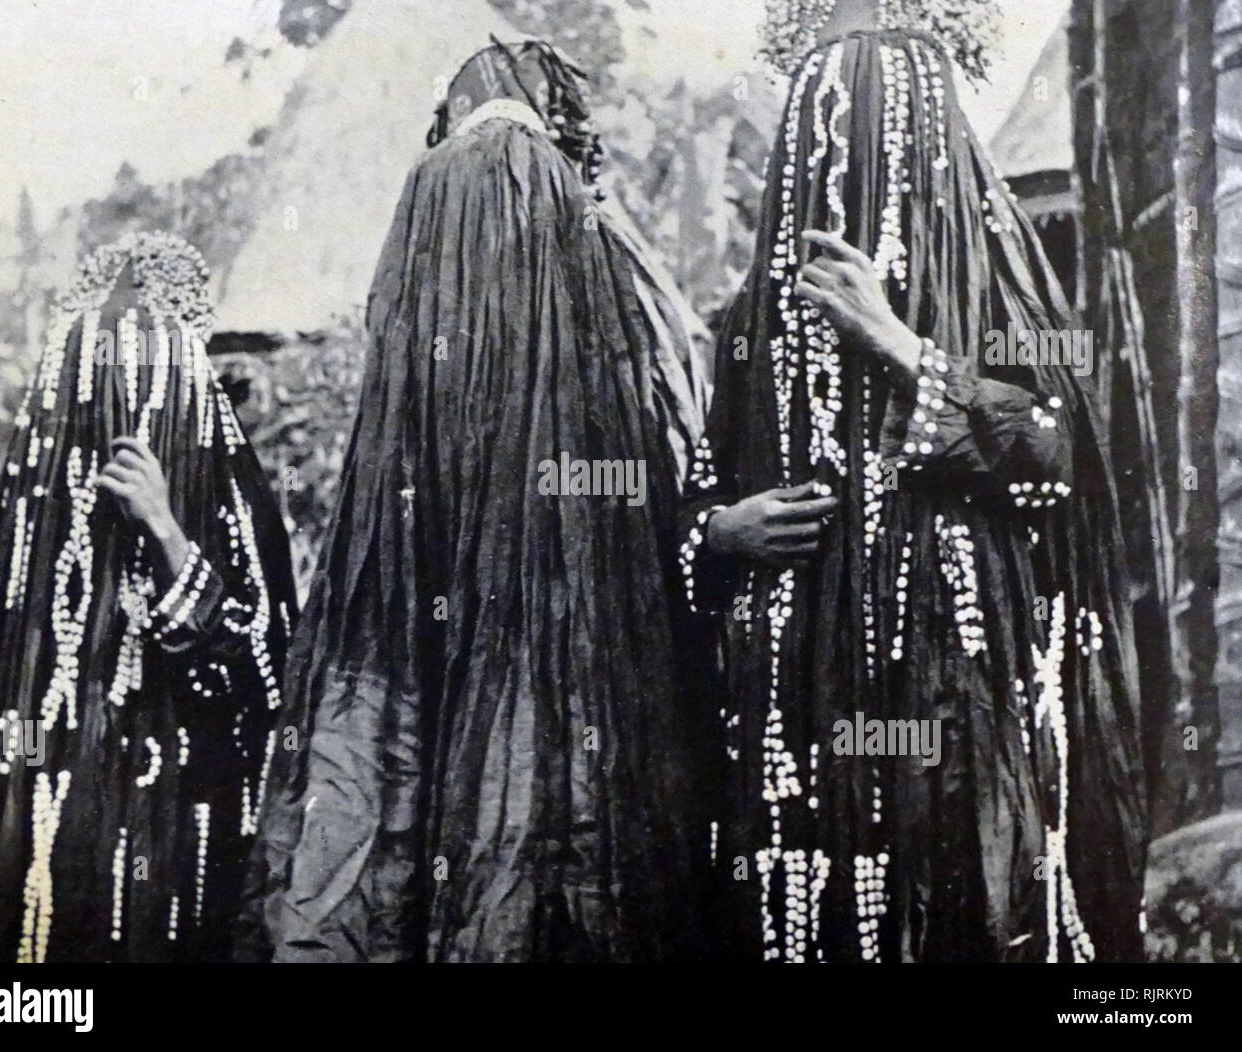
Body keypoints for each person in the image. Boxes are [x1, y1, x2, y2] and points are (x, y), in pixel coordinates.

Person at [680, 0, 1146, 961]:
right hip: (804, 733)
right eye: (821, 128)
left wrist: (901, 347)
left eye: (877, 128)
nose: (844, 164)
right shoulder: (747, 329)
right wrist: (723, 533)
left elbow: (1070, 466)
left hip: (965, 715)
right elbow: (683, 514)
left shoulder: (1009, 290)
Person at [239, 38, 711, 963]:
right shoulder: (606, 265)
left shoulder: (443, 225)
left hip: (490, 643)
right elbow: (673, 459)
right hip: (550, 662)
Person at [0, 232, 296, 961]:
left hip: (180, 837)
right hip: (56, 837)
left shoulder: (225, 499)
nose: (123, 409)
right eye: (101, 378)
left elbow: (263, 682)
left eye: (151, 378)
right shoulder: (35, 520)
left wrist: (166, 532)